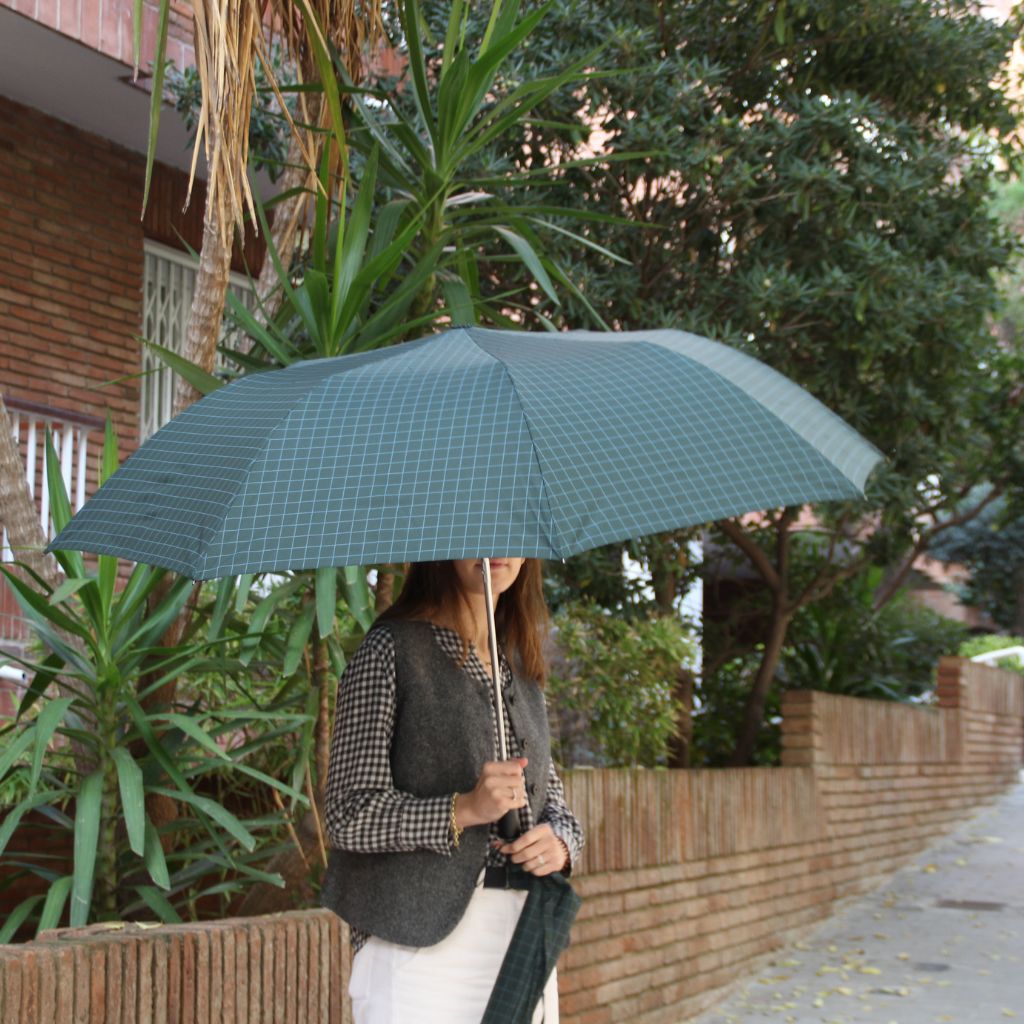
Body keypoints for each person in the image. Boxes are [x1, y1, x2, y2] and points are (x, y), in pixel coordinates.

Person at [320, 557, 585, 1024]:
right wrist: (463, 809)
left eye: (511, 530)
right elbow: (346, 814)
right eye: (479, 529)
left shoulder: (518, 666)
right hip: (417, 950)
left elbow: (553, 802)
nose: (499, 546)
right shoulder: (389, 651)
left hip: (521, 941)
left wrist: (561, 844)